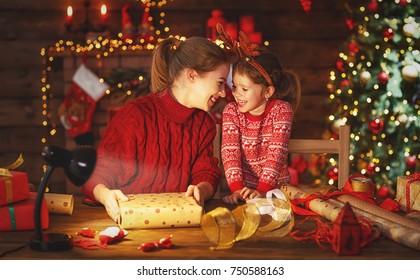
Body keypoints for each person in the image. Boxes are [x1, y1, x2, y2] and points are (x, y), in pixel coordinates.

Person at [82, 36, 230, 221]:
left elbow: (206, 173)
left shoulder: (204, 124)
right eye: (220, 82)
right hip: (129, 222)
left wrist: (202, 189)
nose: (223, 92)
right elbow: (97, 175)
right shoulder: (134, 117)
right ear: (192, 75)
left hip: (178, 222)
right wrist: (105, 195)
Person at [219, 27, 301, 204]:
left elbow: (276, 155)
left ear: (267, 91)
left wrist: (263, 191)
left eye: (245, 89)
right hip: (241, 191)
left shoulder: (281, 111)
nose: (236, 93)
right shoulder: (231, 112)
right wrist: (238, 190)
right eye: (235, 86)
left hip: (276, 192)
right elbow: (229, 153)